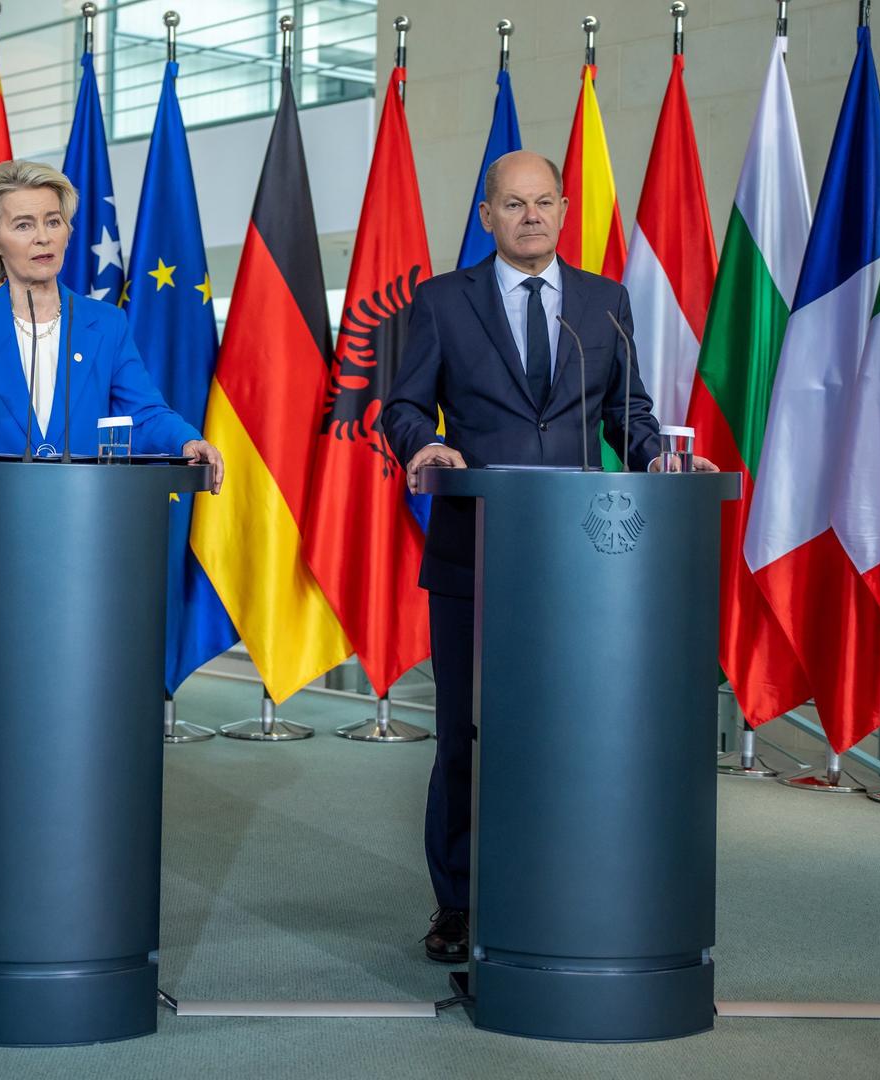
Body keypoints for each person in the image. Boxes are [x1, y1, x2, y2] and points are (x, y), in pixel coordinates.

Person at [381, 149, 716, 964]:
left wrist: (660, 458)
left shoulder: (604, 303)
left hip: (583, 565)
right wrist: (426, 448)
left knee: (572, 730)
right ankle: (457, 905)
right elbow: (400, 408)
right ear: (487, 215)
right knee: (464, 734)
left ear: (564, 211)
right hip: (476, 552)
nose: (531, 216)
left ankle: (565, 887)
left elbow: (628, 414)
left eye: (544, 202)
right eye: (513, 204)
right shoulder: (440, 301)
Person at [0, 159, 223, 491]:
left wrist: (187, 441)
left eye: (53, 222)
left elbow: (145, 413)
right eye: (23, 226)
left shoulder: (106, 323)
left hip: (85, 512)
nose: (43, 238)